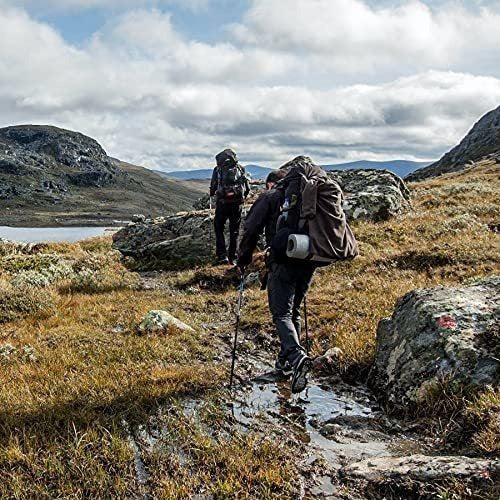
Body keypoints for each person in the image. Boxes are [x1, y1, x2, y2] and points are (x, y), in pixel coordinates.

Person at [236, 162, 316, 394]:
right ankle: (285, 365)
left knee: (281, 312)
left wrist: (242, 260)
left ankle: (296, 356)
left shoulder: (271, 196)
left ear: (272, 183)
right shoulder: (308, 195)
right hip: (310, 258)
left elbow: (251, 229)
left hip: (283, 260)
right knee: (293, 311)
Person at [209, 149, 250, 265]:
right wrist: (242, 198)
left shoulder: (217, 170)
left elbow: (213, 187)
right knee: (234, 231)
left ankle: (222, 256)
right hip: (237, 204)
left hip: (222, 204)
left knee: (218, 228)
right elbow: (246, 187)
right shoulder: (240, 168)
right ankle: (233, 257)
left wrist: (213, 192)